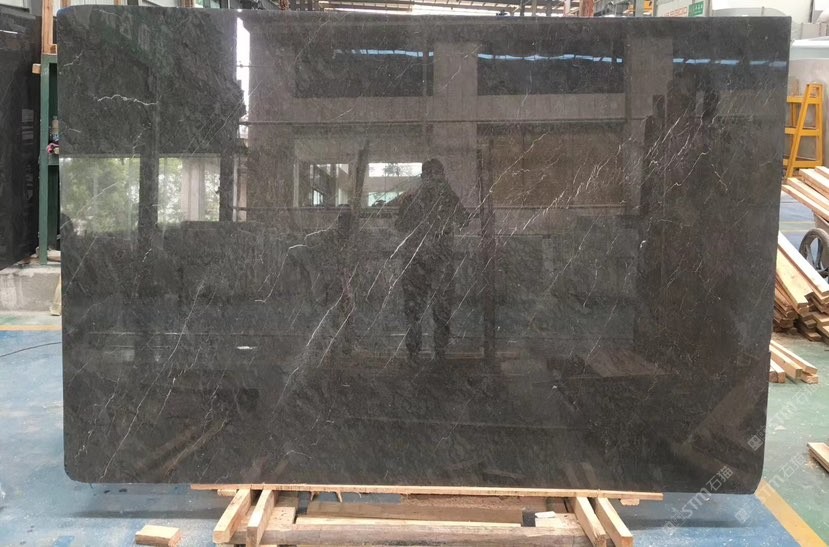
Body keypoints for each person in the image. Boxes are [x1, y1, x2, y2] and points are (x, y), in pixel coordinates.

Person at [395, 159, 468, 361]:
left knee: (428, 310)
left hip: (427, 261)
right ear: (425, 178)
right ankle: (426, 353)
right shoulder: (421, 199)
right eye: (433, 176)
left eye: (438, 177)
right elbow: (401, 225)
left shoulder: (442, 198)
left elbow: (464, 220)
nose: (435, 181)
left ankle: (426, 353)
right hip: (426, 261)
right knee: (421, 310)